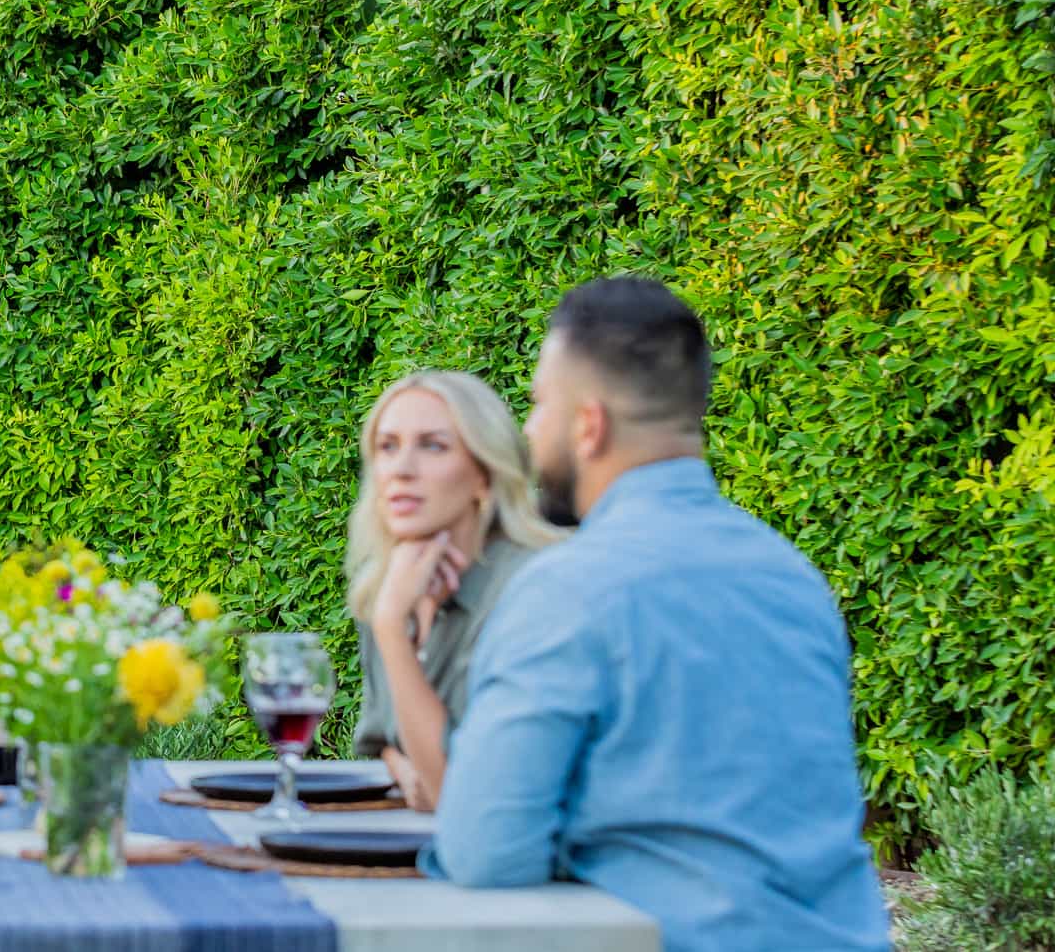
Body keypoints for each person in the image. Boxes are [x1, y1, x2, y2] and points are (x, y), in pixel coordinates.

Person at [421, 278, 890, 952]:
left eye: (539, 406)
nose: (529, 431)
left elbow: (486, 851)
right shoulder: (794, 579)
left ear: (589, 425)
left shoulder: (567, 589)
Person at [346, 370, 563, 810]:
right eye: (387, 447)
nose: (401, 470)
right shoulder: (385, 583)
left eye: (433, 446)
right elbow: (383, 741)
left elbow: (461, 796)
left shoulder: (533, 588)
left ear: (484, 475)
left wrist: (392, 630)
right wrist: (404, 765)